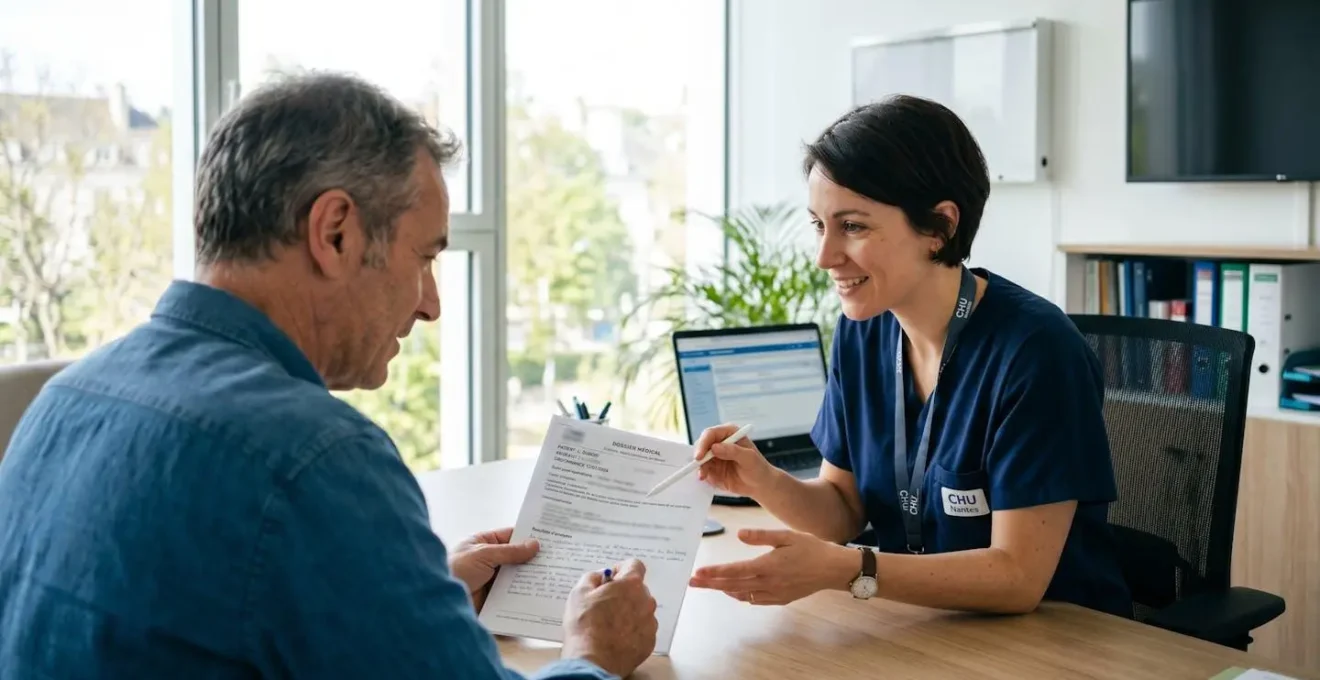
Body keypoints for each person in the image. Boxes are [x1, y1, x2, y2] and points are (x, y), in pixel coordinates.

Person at [0, 72, 656, 679]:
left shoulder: (63, 404)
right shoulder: (315, 459)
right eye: (424, 258)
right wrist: (591, 654)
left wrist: (406, 598)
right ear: (335, 233)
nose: (430, 303)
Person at [686, 95, 1133, 619]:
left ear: (939, 228)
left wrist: (846, 570)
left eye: (852, 226)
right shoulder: (864, 328)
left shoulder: (1036, 352)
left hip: (1056, 640)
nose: (824, 257)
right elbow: (843, 511)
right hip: (921, 624)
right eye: (818, 225)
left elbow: (1017, 577)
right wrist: (761, 479)